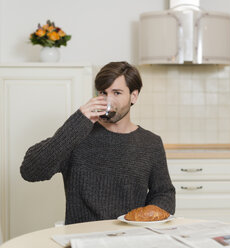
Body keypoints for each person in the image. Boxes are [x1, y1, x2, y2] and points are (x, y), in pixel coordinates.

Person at [20, 61, 175, 225]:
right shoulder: (77, 134)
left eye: (116, 93)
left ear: (133, 96)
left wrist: (146, 218)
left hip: (132, 236)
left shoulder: (151, 142)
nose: (108, 100)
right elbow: (31, 171)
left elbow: (164, 193)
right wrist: (78, 120)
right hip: (83, 237)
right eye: (103, 92)